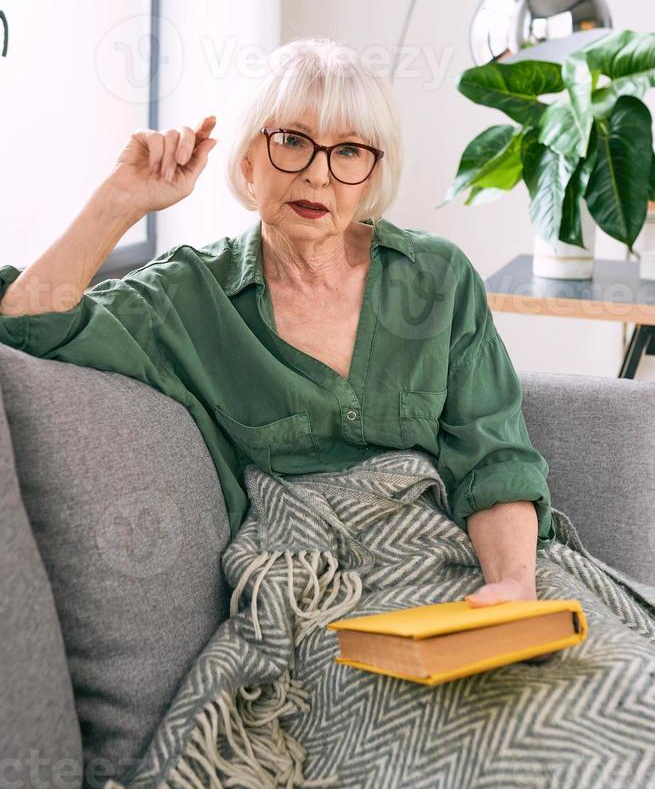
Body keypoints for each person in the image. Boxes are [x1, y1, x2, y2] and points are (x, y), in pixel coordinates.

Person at [0, 36, 555, 614]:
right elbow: (25, 324)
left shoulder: (437, 277)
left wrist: (513, 589)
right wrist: (120, 200)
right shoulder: (190, 294)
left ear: (371, 174)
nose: (318, 175)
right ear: (247, 160)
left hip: (463, 563)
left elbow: (496, 459)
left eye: (348, 151)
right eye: (292, 141)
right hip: (316, 594)